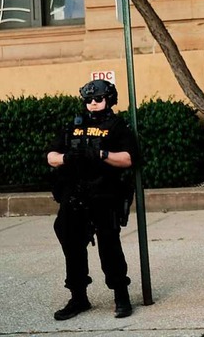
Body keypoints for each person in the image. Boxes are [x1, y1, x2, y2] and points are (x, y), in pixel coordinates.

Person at [47, 79, 136, 320]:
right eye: (88, 100)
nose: (93, 104)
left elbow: (129, 158)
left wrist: (101, 154)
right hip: (75, 194)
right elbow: (51, 156)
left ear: (109, 99)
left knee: (109, 246)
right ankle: (78, 297)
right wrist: (67, 158)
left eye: (98, 99)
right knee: (71, 244)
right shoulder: (72, 126)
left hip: (105, 195)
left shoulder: (117, 126)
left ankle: (121, 295)